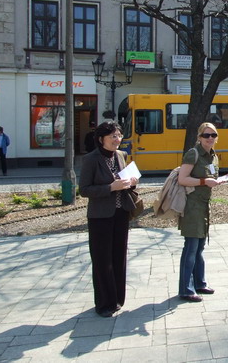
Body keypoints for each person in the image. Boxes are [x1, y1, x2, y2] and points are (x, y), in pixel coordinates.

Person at [79, 121, 139, 317]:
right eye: (113, 136)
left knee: (118, 257)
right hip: (100, 217)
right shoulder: (91, 159)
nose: (117, 139)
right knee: (102, 259)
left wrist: (131, 183)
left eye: (119, 135)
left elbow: (126, 182)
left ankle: (117, 299)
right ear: (101, 139)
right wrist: (110, 188)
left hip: (121, 213)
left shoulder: (121, 156)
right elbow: (84, 190)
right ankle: (104, 304)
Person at [176, 122, 228, 302]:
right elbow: (183, 179)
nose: (210, 138)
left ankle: (199, 283)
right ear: (199, 137)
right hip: (192, 206)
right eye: (206, 135)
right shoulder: (193, 153)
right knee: (191, 247)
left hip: (204, 205)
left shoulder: (213, 156)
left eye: (213, 135)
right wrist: (204, 182)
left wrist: (217, 181)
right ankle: (186, 289)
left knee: (199, 247)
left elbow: (209, 177)